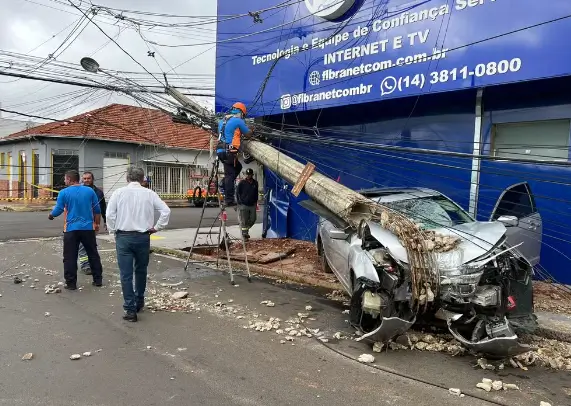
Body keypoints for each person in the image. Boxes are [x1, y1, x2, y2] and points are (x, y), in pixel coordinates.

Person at [106, 167, 171, 322]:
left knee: (126, 274)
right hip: (143, 237)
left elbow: (109, 214)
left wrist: (113, 230)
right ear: (143, 179)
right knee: (141, 270)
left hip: (124, 236)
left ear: (127, 178)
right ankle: (139, 300)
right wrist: (157, 227)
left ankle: (130, 309)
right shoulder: (149, 194)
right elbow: (166, 211)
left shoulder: (118, 193)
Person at [48, 169, 104, 290]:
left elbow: (58, 209)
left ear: (69, 179)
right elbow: (97, 210)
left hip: (71, 230)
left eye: (65, 179)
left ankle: (71, 283)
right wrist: (97, 224)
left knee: (70, 257)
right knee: (93, 254)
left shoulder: (63, 192)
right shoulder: (89, 191)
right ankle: (98, 280)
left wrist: (51, 215)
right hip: (88, 229)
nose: (64, 180)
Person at [216, 102, 253, 206]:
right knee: (230, 175)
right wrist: (251, 130)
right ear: (241, 112)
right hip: (229, 152)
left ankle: (223, 183)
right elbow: (248, 134)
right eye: (243, 115)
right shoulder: (238, 121)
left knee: (237, 168)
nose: (243, 117)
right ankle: (229, 200)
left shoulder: (222, 121)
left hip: (220, 151)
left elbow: (228, 134)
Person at [78, 171, 106, 275]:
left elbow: (102, 208)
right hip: (81, 222)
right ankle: (85, 265)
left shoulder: (98, 192)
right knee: (82, 245)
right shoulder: (78, 191)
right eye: (84, 179)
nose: (86, 180)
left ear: (92, 179)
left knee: (91, 244)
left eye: (88, 178)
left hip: (94, 222)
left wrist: (105, 221)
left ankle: (90, 263)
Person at [236, 168, 259, 239]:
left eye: (250, 174)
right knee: (244, 220)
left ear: (252, 175)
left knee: (253, 219)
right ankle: (245, 235)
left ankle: (245, 229)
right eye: (247, 174)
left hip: (252, 204)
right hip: (243, 204)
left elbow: (256, 193)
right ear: (246, 175)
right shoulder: (242, 183)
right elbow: (237, 193)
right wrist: (239, 202)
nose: (248, 176)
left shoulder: (255, 183)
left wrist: (256, 202)